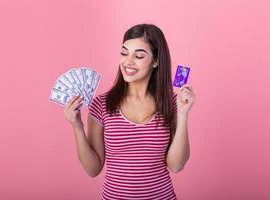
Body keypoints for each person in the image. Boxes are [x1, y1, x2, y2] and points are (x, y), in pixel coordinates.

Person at [64, 23, 196, 200]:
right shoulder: (101, 104)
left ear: (156, 61)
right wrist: (77, 126)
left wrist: (182, 114)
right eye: (124, 53)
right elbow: (93, 169)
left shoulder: (172, 103)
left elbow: (176, 165)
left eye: (139, 55)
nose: (128, 61)